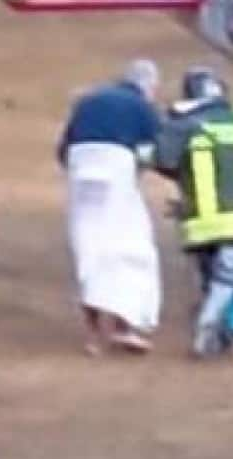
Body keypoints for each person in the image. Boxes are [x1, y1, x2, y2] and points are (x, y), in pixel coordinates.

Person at [153, 66, 233, 360]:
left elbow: (163, 160)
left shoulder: (182, 124)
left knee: (210, 278)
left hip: (198, 217)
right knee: (228, 280)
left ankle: (219, 336)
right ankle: (207, 328)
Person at [56, 58, 163, 355]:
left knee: (89, 247)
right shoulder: (141, 105)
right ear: (148, 86)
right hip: (116, 167)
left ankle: (93, 335)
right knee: (129, 245)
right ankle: (124, 325)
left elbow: (64, 149)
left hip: (81, 167)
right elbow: (159, 148)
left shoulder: (88, 101)